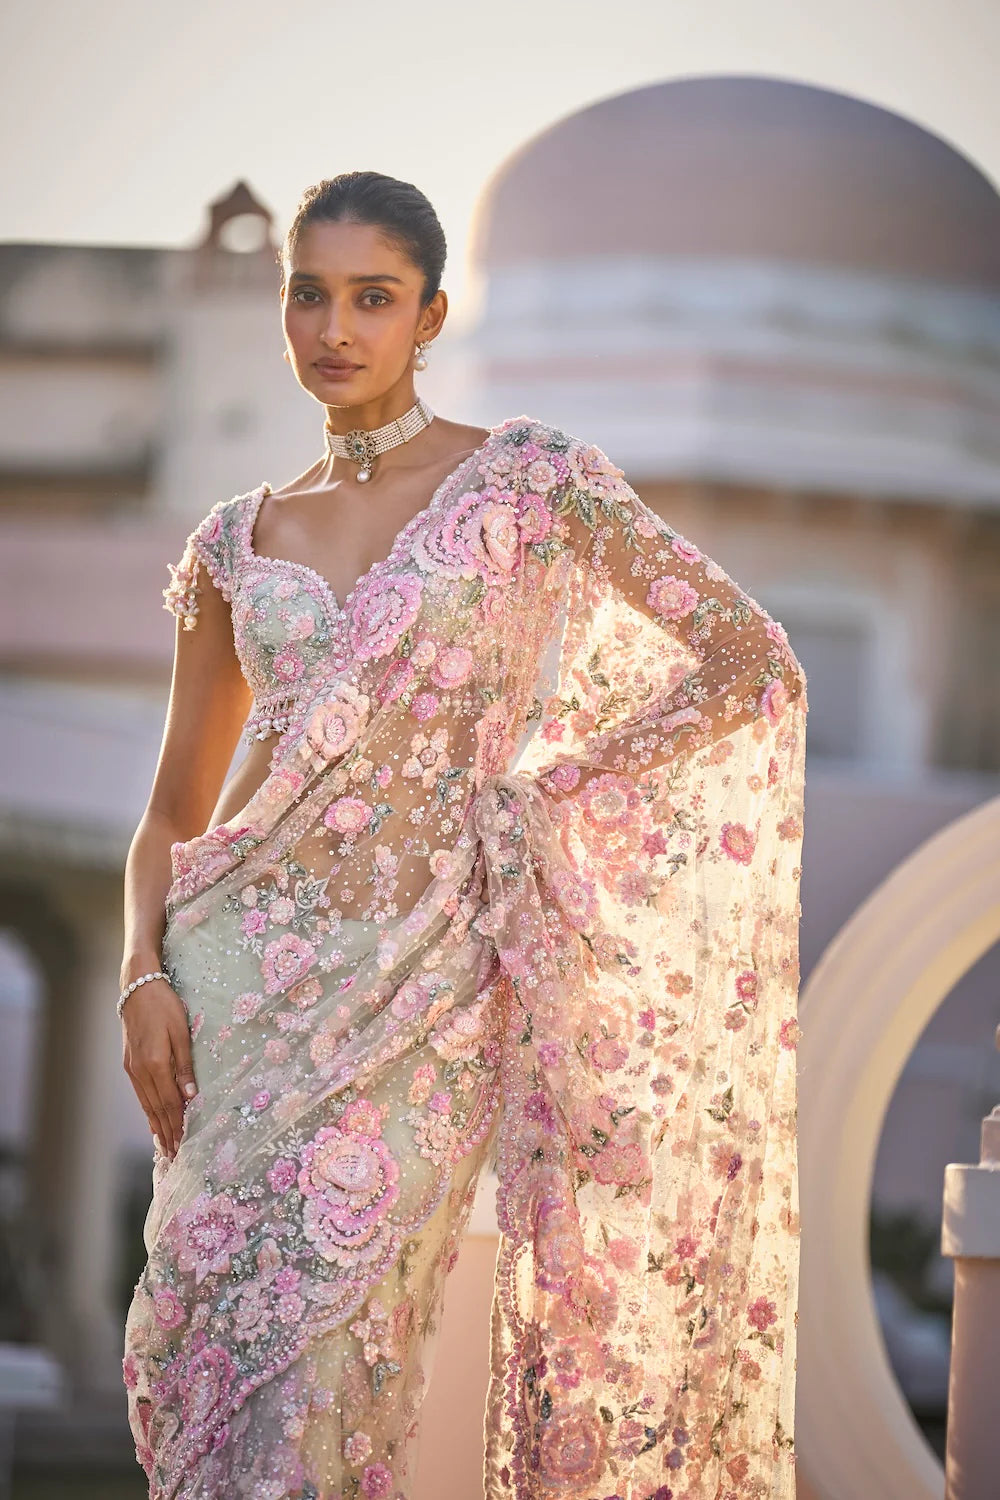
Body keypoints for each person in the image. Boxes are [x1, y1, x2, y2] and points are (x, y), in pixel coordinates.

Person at [119, 170, 808, 1500]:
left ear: (430, 315)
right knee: (193, 1365)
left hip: (417, 1013)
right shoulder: (232, 543)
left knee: (324, 1385)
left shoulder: (531, 481)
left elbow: (745, 661)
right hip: (226, 1005)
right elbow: (169, 813)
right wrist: (142, 977)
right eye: (308, 295)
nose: (337, 327)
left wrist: (552, 786)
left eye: (373, 297)